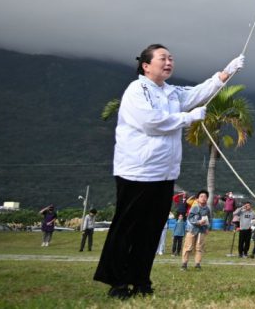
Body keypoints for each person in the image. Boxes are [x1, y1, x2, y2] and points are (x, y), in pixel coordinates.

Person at [93, 45, 243, 299]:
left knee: (151, 230)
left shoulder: (171, 92)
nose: (169, 62)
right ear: (146, 65)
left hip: (164, 173)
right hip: (137, 171)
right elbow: (151, 123)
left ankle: (140, 280)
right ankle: (117, 282)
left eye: (171, 58)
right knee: (127, 228)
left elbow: (196, 93)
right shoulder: (136, 91)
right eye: (163, 58)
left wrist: (224, 74)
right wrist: (188, 118)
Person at [182, 190, 212, 270]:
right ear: (198, 198)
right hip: (192, 229)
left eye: (205, 197)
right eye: (201, 196)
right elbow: (189, 218)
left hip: (202, 230)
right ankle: (184, 264)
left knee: (199, 248)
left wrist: (207, 228)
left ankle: (197, 264)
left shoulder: (207, 209)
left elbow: (209, 219)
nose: (203, 198)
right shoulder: (194, 207)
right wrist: (198, 222)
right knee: (188, 247)